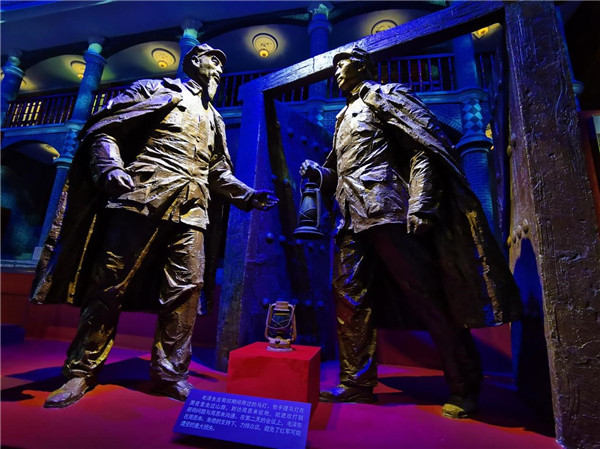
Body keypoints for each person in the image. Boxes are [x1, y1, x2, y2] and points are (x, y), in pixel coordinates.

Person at [31, 43, 277, 408]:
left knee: (186, 291)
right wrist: (109, 168)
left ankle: (170, 374)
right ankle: (81, 370)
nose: (219, 68)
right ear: (194, 60)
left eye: (222, 63)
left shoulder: (215, 118)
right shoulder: (154, 89)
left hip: (192, 210)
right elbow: (104, 130)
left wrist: (246, 194)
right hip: (140, 199)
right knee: (109, 286)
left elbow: (217, 171)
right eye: (214, 59)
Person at [299, 46, 520, 419]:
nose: (337, 70)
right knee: (349, 300)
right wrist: (320, 174)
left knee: (426, 296)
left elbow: (422, 149)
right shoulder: (342, 116)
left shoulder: (387, 95)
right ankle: (356, 383)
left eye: (344, 62)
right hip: (349, 217)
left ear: (363, 66)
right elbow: (343, 173)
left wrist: (421, 203)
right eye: (334, 65)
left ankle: (465, 384)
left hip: (387, 210)